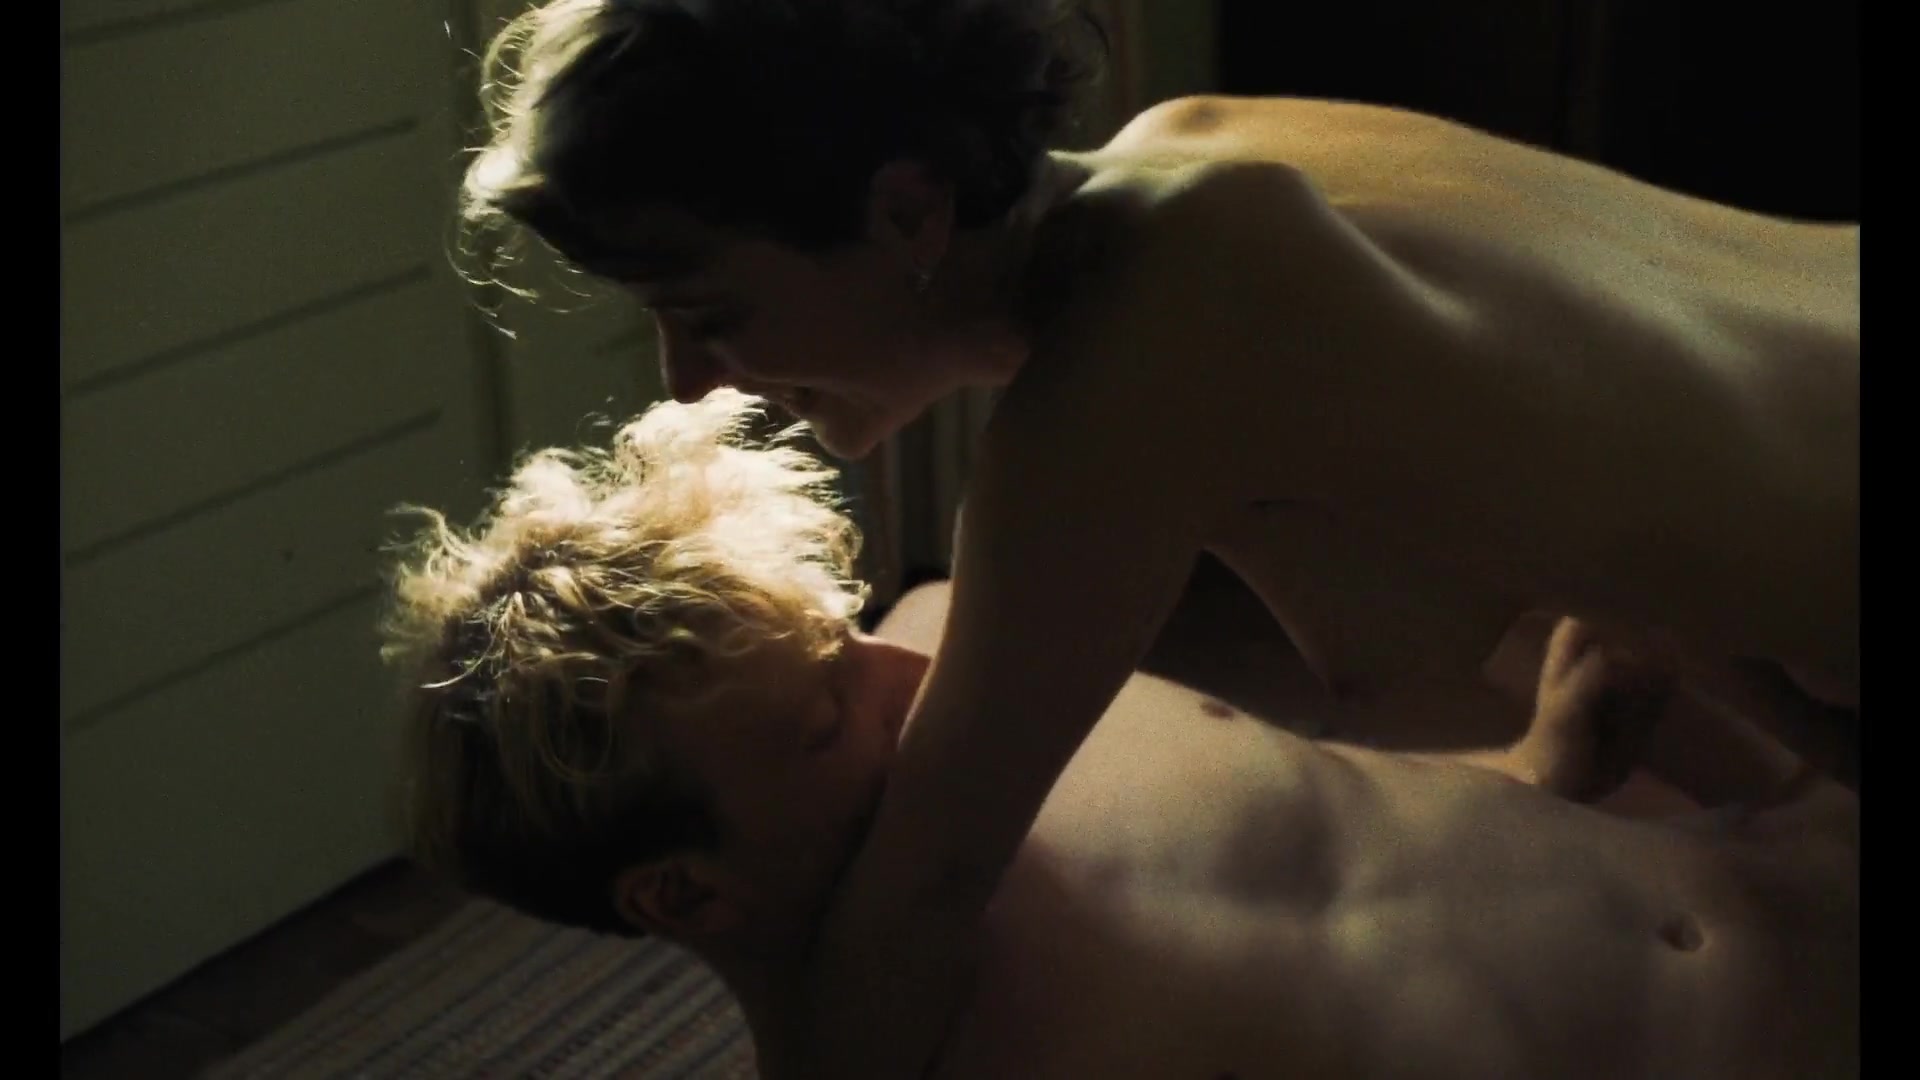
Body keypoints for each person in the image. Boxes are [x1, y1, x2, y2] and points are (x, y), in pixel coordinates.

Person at [456, 2, 1859, 1070]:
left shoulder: (1121, 385)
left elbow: (922, 895)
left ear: (905, 212)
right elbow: (1647, 523)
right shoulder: (1195, 155)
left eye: (708, 311)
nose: (687, 382)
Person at [379, 392, 1858, 1080]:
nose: (907, 673)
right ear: (687, 892)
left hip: (1801, 849)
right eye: (827, 719)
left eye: (845, 637)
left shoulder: (961, 650)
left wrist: (1541, 767)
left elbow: (1331, 837)